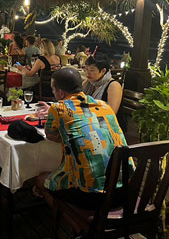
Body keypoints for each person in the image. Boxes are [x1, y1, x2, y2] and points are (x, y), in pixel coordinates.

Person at [34, 68, 130, 209]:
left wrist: (68, 135)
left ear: (61, 93)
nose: (53, 93)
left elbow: (50, 135)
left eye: (53, 90)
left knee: (41, 180)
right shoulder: (103, 105)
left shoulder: (58, 108)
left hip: (93, 196)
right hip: (124, 191)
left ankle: (68, 218)